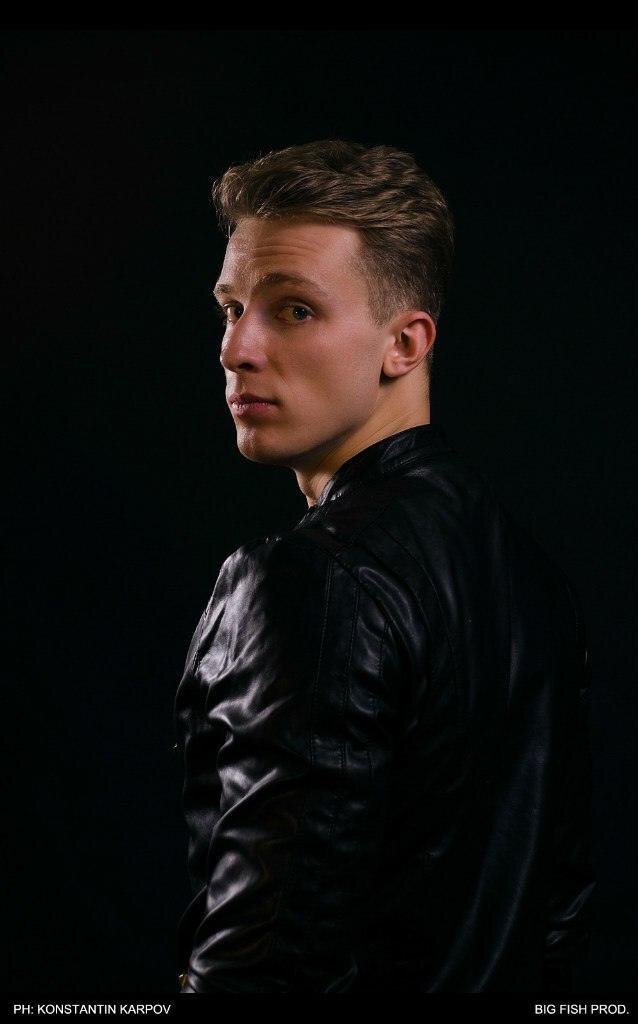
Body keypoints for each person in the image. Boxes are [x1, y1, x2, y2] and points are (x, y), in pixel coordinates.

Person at [173, 139, 596, 993]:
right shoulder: (533, 578)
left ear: (404, 343)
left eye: (294, 310)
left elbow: (263, 967)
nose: (237, 348)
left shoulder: (309, 577)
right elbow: (557, 919)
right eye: (231, 308)